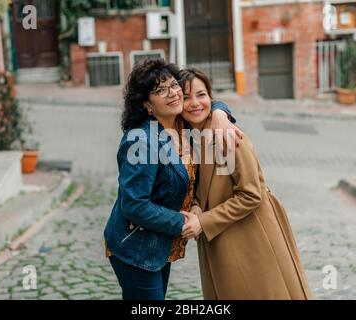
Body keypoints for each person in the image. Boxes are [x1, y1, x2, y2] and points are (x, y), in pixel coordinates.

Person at [103, 58, 239, 300]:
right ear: (146, 103)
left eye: (174, 85)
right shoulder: (141, 141)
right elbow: (134, 205)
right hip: (137, 247)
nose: (173, 93)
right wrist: (183, 223)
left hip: (159, 244)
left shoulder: (181, 125)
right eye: (160, 90)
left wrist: (220, 113)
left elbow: (205, 101)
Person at [179, 68, 312, 300]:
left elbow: (251, 194)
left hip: (251, 237)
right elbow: (201, 186)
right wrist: (197, 206)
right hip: (220, 239)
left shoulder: (227, 135)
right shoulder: (193, 139)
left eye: (201, 95)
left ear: (211, 97)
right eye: (186, 97)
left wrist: (203, 221)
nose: (195, 103)